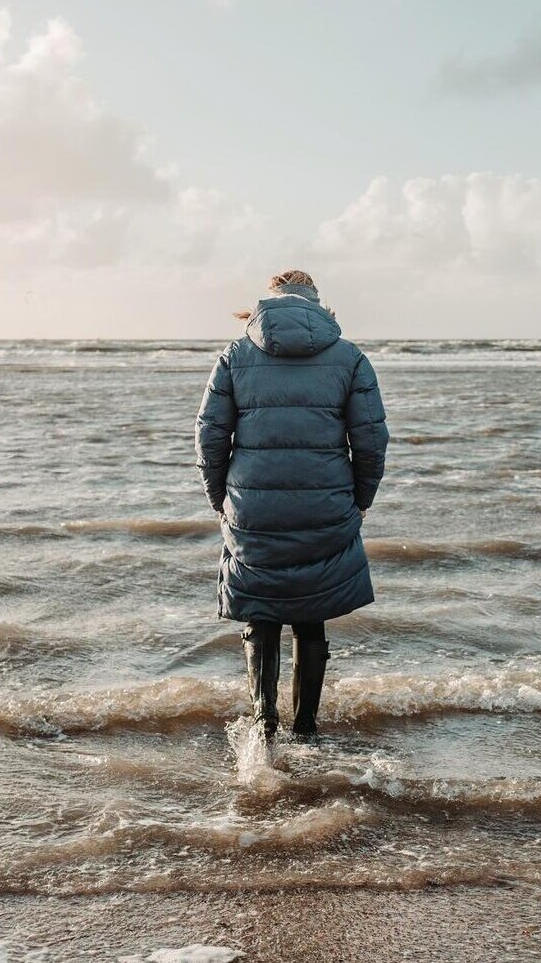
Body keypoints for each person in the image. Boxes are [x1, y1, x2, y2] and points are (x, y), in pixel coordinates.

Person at [194, 270, 389, 744]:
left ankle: (264, 725)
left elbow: (210, 435)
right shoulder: (349, 357)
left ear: (267, 303)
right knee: (311, 612)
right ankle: (306, 729)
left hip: (252, 507)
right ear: (317, 305)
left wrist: (220, 499)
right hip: (325, 503)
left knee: (261, 612)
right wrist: (361, 500)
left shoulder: (236, 355)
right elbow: (371, 440)